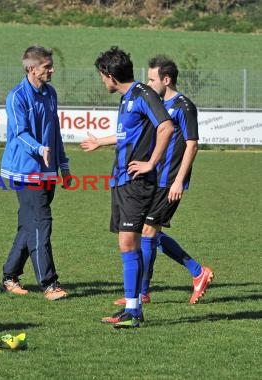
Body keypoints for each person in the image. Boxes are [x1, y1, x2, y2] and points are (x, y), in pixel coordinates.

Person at [81, 46, 174, 328]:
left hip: (136, 182)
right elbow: (127, 134)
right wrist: (101, 142)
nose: (102, 81)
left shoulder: (144, 94)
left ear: (109, 76)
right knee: (127, 244)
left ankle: (134, 310)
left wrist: (150, 163)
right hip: (121, 180)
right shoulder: (128, 98)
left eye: (102, 76)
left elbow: (166, 127)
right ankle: (132, 308)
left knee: (127, 243)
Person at [112, 55, 213, 306]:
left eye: (152, 79)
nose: (147, 83)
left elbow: (192, 145)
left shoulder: (184, 106)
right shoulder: (154, 104)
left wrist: (179, 180)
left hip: (169, 180)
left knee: (147, 232)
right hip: (152, 179)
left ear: (166, 80)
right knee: (148, 233)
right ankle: (198, 272)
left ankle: (142, 293)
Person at [0, 45, 70, 301]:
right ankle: (50, 284)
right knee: (41, 223)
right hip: (24, 172)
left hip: (48, 171)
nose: (52, 70)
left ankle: (9, 277)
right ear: (31, 68)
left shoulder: (50, 93)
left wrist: (64, 166)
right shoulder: (16, 96)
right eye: (47, 67)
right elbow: (19, 133)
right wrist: (40, 149)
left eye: (51, 65)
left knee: (29, 226)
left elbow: (56, 132)